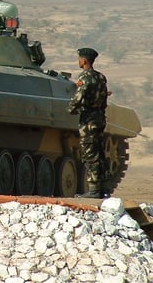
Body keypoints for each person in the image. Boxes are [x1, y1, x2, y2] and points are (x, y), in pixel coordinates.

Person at [66, 47, 112, 198]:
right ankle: (103, 187)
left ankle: (94, 190)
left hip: (88, 119)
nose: (79, 61)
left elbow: (78, 98)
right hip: (99, 117)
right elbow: (104, 97)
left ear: (84, 60)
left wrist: (71, 109)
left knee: (89, 153)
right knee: (99, 152)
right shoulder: (101, 77)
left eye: (80, 58)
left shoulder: (85, 77)